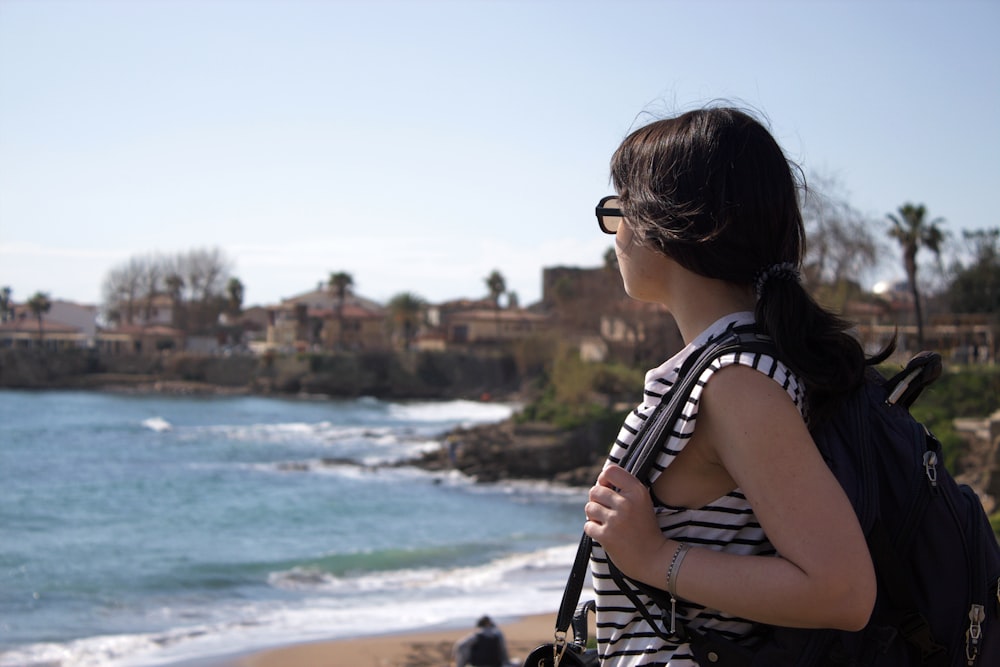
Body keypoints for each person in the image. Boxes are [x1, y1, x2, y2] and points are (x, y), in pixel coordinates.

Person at [583, 107, 888, 666]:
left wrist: (655, 557)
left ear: (672, 224)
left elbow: (843, 590)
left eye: (619, 208)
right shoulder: (730, 366)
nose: (615, 230)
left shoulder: (736, 381)